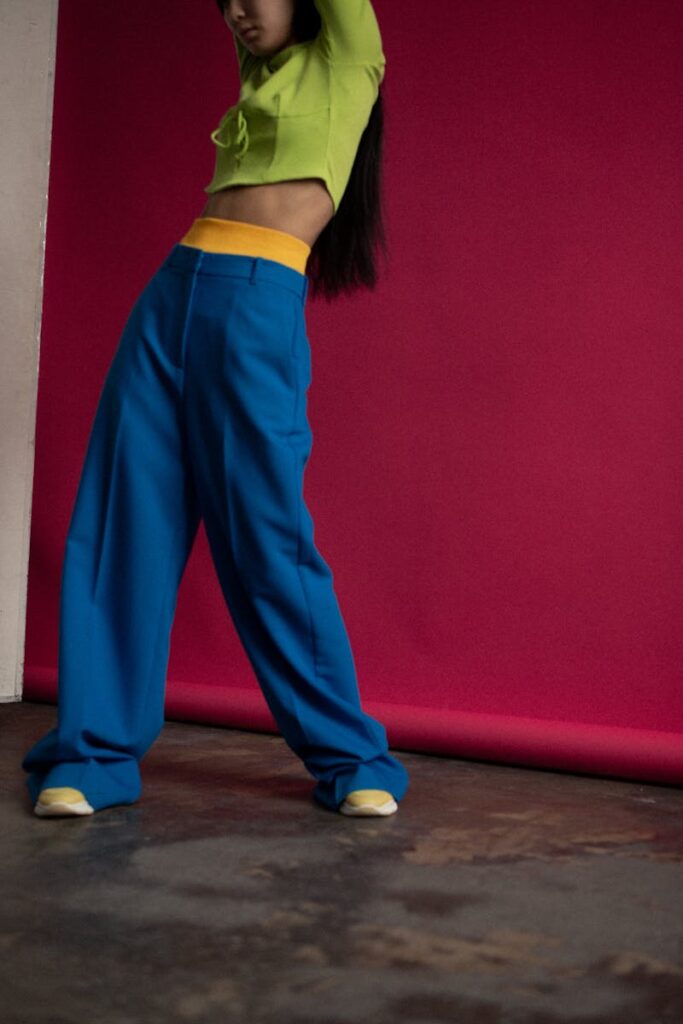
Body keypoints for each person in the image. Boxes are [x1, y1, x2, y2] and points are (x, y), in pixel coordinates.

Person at [22, 0, 409, 819]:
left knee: (266, 534)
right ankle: (91, 757)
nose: (235, 9)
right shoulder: (258, 70)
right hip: (169, 298)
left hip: (255, 307)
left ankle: (350, 757)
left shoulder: (347, 56)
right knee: (124, 521)